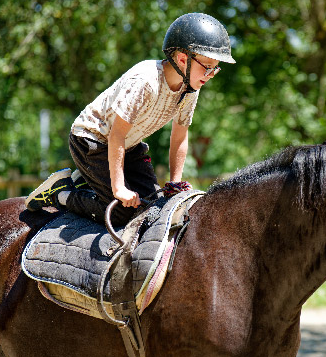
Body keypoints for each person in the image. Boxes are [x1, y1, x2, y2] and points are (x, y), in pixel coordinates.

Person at [25, 12, 235, 225]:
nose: (211, 75)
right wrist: (119, 189)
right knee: (121, 212)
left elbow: (179, 136)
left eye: (215, 68)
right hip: (93, 140)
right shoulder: (145, 82)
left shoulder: (190, 88)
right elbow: (116, 134)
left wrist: (175, 182)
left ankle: (89, 182)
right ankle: (60, 193)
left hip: (129, 145)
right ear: (183, 59)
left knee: (153, 206)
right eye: (208, 67)